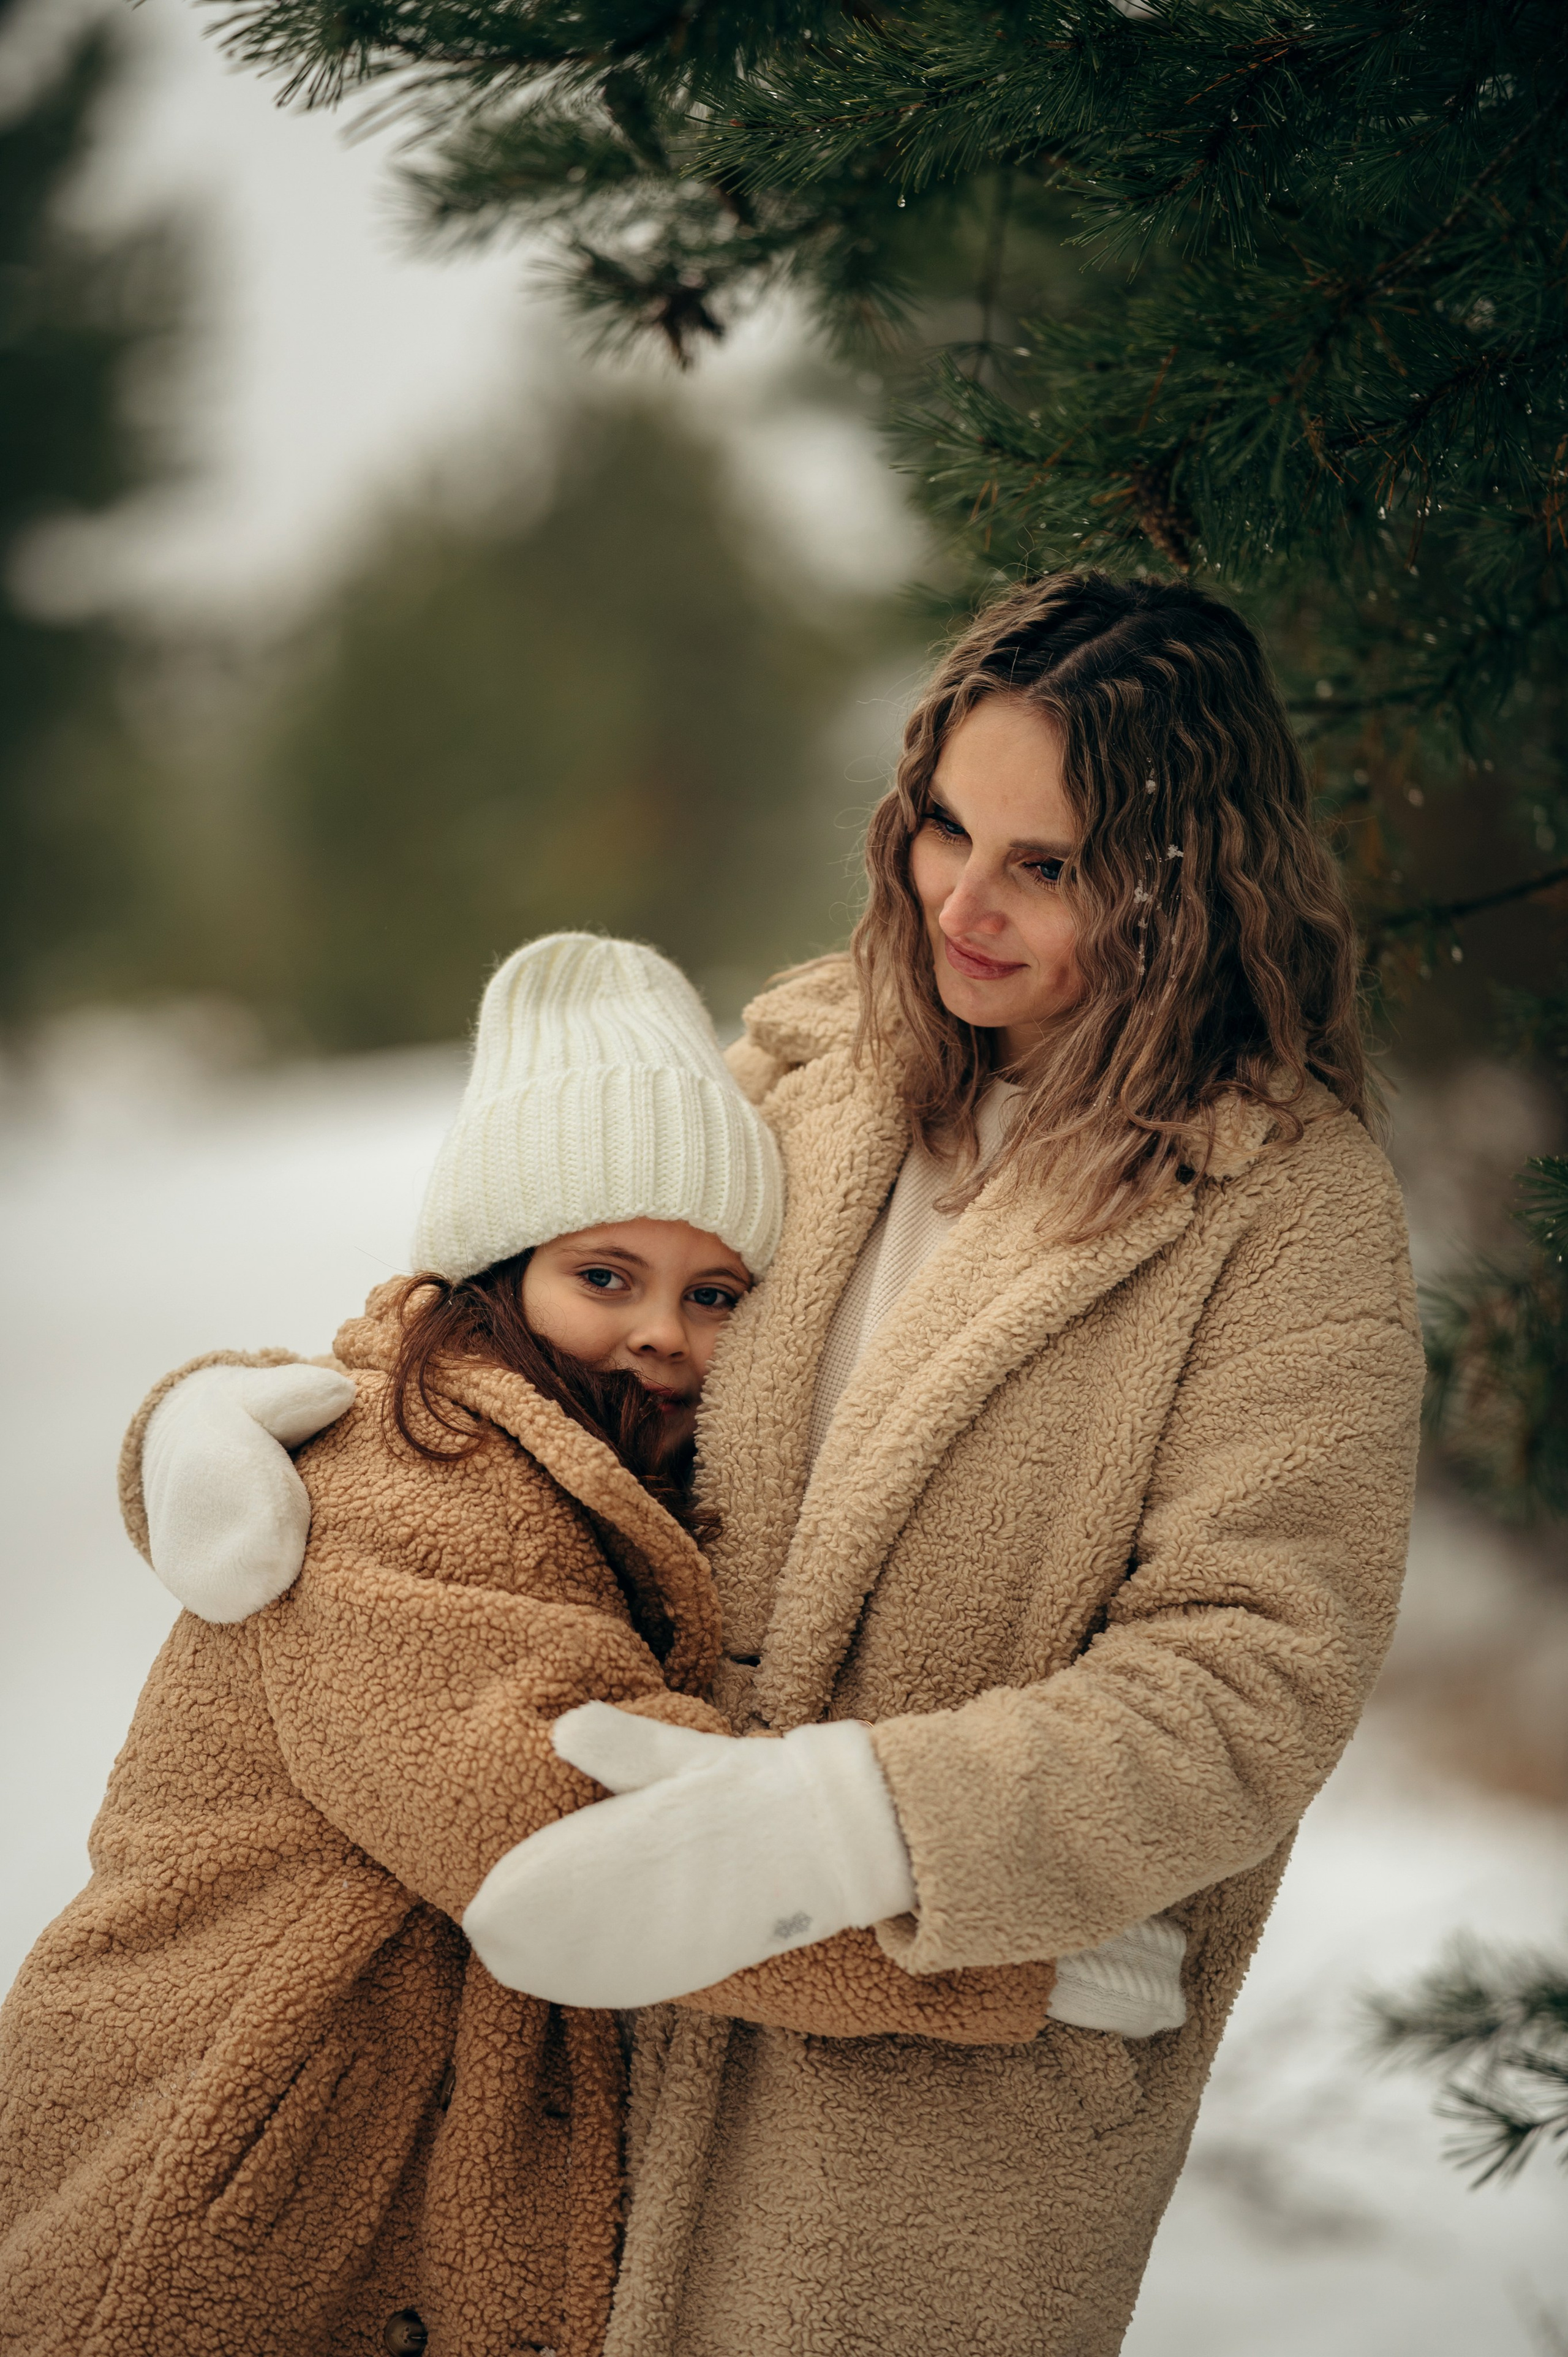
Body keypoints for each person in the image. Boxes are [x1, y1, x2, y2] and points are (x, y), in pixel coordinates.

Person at [105, 571, 1425, 2357]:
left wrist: (862, 1825)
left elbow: (1255, 1681)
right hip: (593, 2047)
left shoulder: (1289, 1218)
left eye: (1045, 862)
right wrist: (250, 1406)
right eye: (950, 825)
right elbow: (542, 1297)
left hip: (930, 2123)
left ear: (1186, 878)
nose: (964, 899)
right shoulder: (818, 1070)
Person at [0, 929, 1174, 2357]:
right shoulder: (410, 1470)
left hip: (339, 2154)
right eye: (604, 1275)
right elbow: (569, 1830)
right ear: (493, 1272)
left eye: (714, 1292)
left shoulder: (592, 1476)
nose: (663, 1335)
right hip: (211, 2154)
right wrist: (997, 1938)